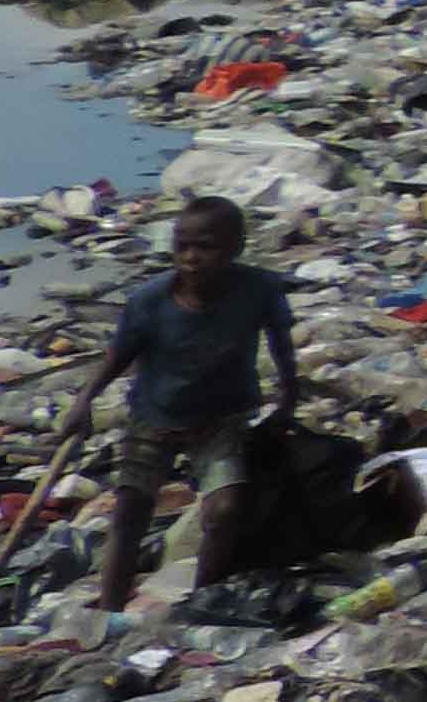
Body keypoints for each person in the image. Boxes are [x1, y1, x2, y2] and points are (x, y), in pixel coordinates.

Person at [66, 198, 297, 616]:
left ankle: (202, 600)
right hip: (154, 417)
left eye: (205, 247)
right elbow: (118, 355)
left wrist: (288, 400)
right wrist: (84, 400)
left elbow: (282, 343)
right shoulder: (150, 301)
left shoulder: (259, 290)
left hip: (221, 419)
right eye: (182, 246)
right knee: (130, 514)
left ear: (235, 247)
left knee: (225, 510)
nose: (191, 257)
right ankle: (110, 611)